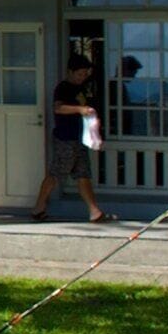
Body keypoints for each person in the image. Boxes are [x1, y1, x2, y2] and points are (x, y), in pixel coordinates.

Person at [36, 57, 107, 221]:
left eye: (84, 74)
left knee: (83, 174)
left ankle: (94, 211)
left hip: (80, 138)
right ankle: (39, 206)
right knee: (56, 174)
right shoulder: (63, 88)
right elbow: (58, 108)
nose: (82, 77)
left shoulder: (82, 88)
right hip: (65, 138)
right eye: (79, 74)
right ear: (70, 72)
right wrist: (79, 109)